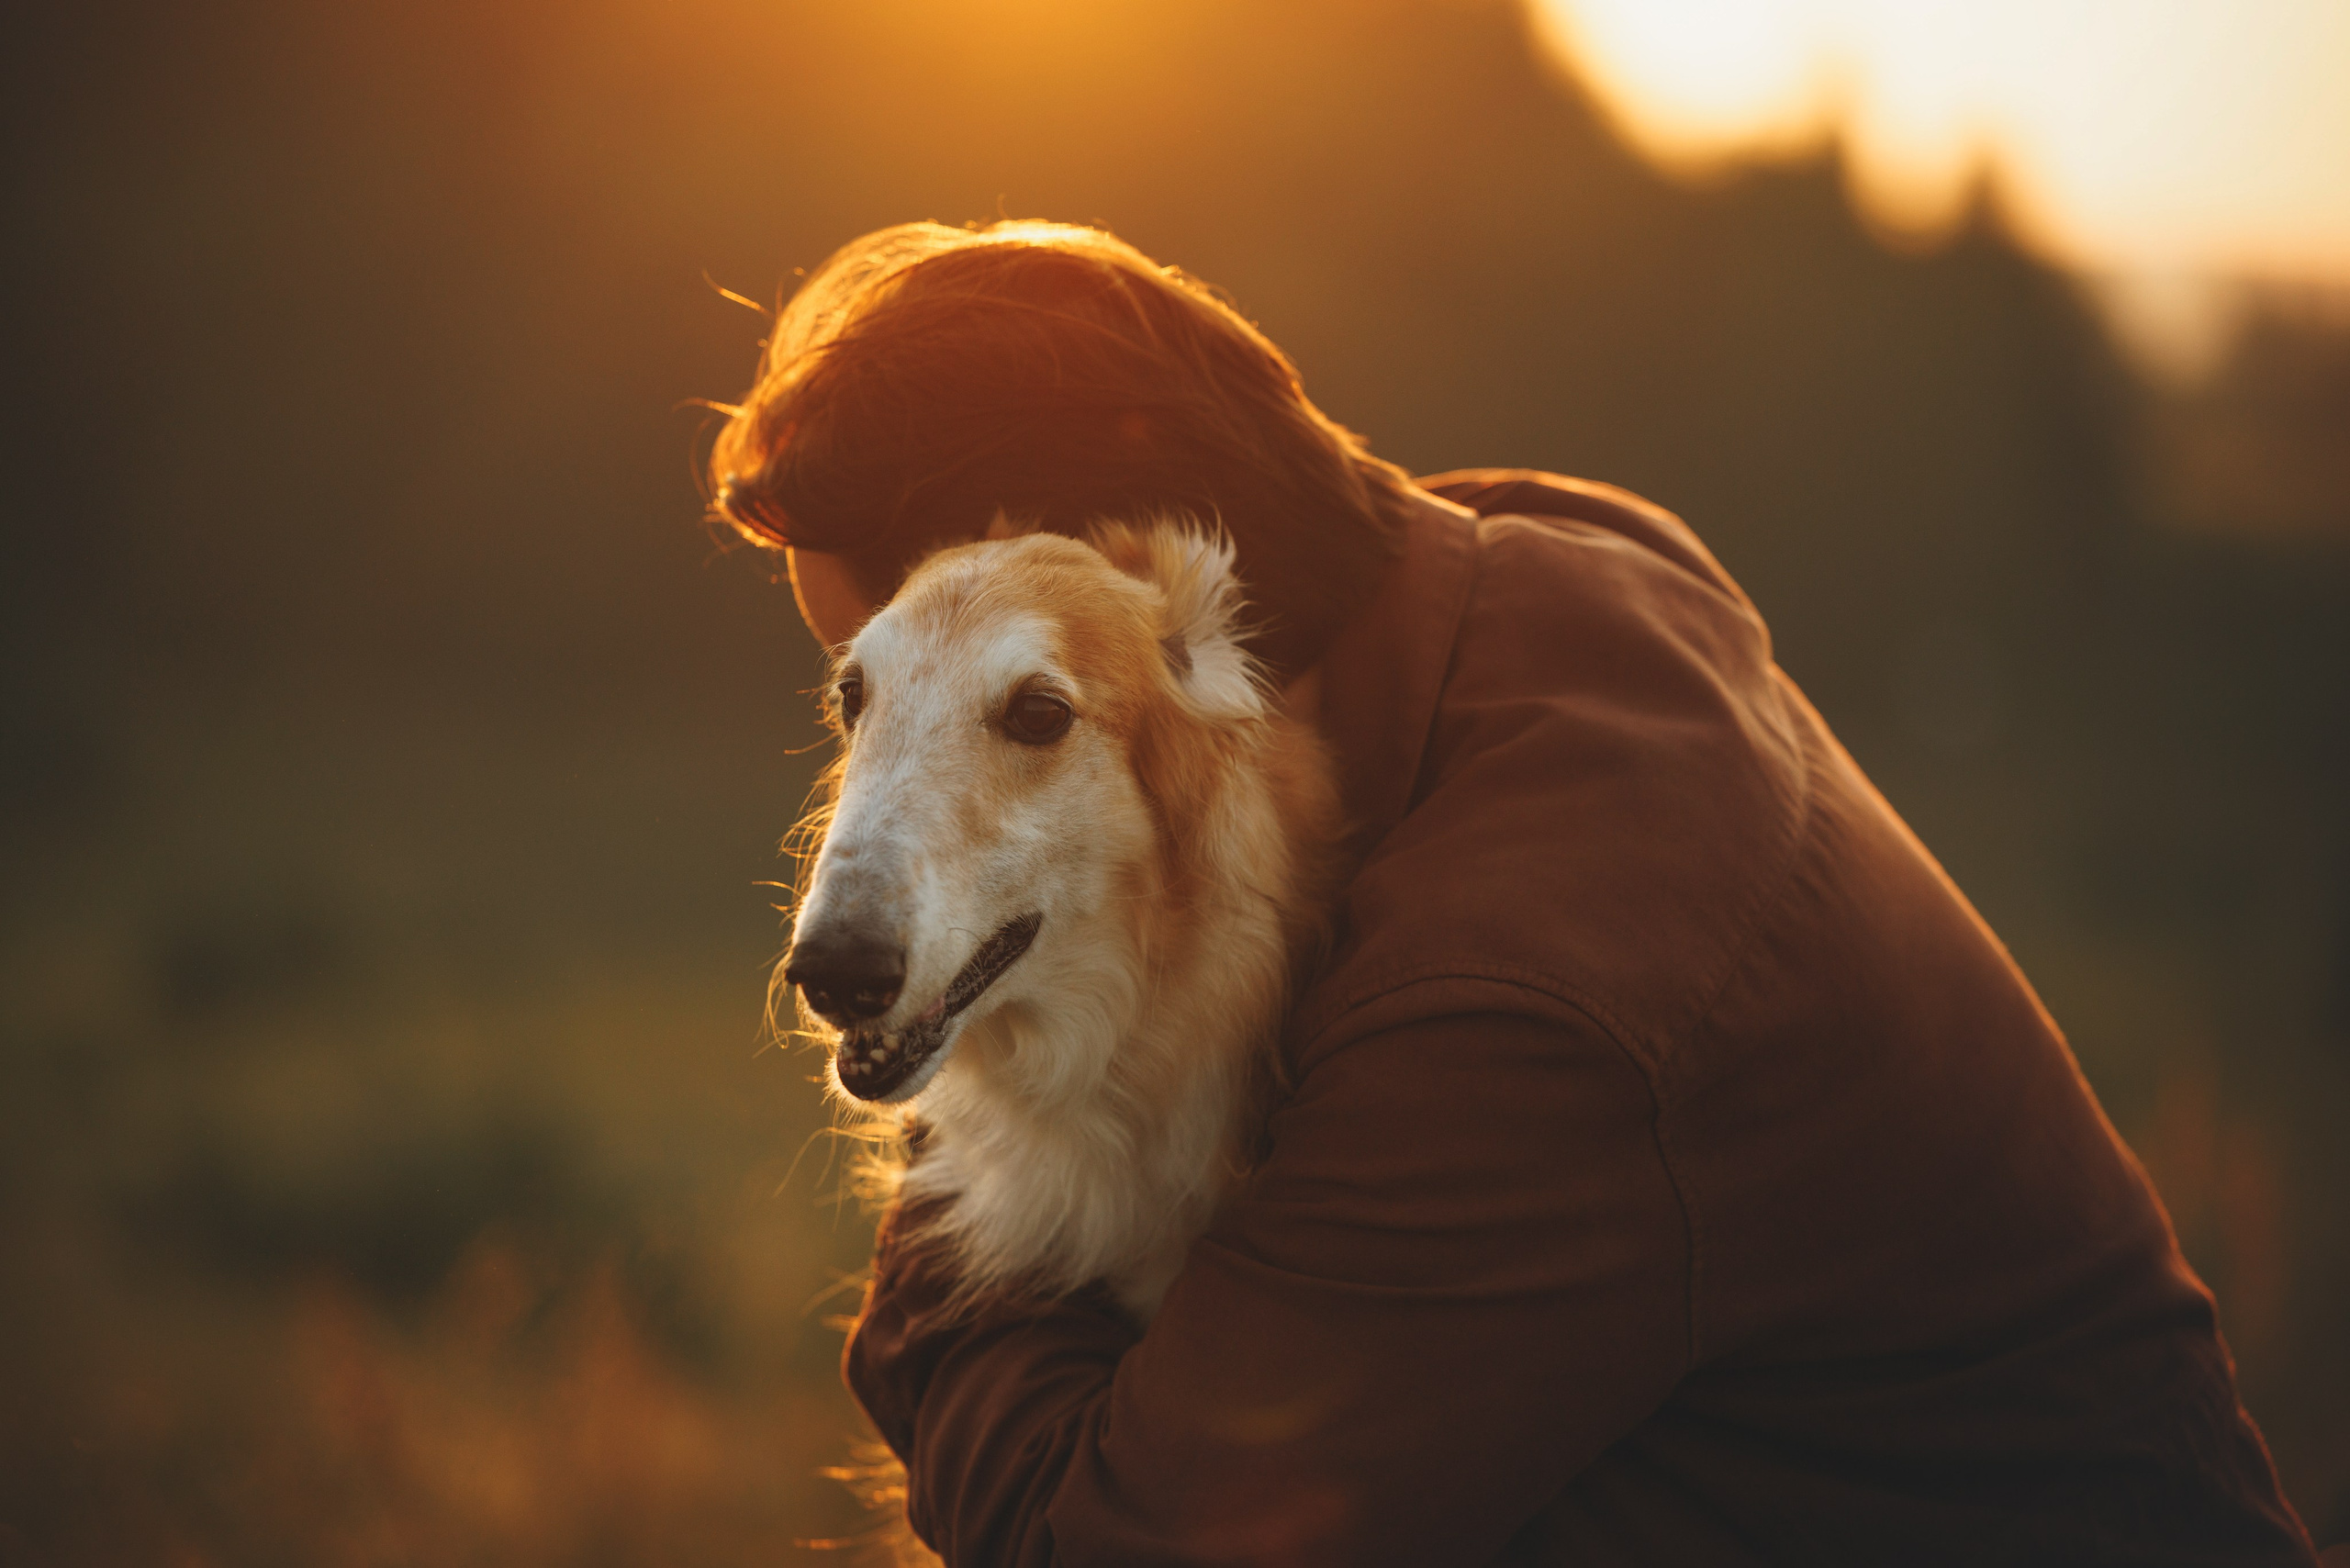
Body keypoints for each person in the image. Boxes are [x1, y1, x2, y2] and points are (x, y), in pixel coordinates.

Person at [709, 220, 2320, 1566]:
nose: (890, 809)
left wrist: (943, 1290)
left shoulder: (1524, 995)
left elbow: (1111, 1544)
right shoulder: (1499, 566)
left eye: (988, 702)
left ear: (1104, 568)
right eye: (868, 700)